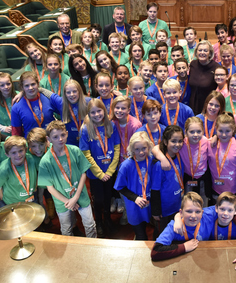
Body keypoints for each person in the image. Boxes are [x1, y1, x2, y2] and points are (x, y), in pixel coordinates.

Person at [38, 121, 96, 238]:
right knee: (66, 228)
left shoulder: (74, 150)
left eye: (63, 135)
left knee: (90, 224)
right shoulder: (45, 161)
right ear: (48, 139)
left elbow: (83, 174)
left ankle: (92, 246)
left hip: (80, 196)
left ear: (67, 134)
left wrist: (75, 197)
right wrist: (67, 201)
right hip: (61, 201)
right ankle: (69, 249)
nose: (60, 139)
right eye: (55, 137)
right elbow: (50, 188)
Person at [80, 99, 120, 237]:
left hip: (109, 171)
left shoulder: (111, 126)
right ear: (88, 113)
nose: (97, 114)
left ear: (104, 110)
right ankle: (99, 221)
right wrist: (99, 173)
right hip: (95, 174)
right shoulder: (86, 128)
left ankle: (108, 218)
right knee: (98, 199)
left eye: (99, 111)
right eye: (93, 112)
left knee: (108, 197)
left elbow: (116, 148)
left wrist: (110, 171)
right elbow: (86, 154)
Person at [114, 131, 155, 240]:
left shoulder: (152, 160)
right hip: (134, 206)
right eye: (137, 149)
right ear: (132, 149)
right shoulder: (126, 166)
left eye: (144, 148)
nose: (141, 152)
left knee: (147, 225)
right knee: (141, 235)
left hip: (149, 203)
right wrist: (135, 198)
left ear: (149, 147)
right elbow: (120, 187)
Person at [150, 192, 213, 261]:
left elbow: (222, 207)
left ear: (202, 213)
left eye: (198, 212)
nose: (194, 216)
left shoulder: (207, 216)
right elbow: (155, 251)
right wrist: (184, 247)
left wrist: (177, 216)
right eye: (189, 211)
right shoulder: (173, 227)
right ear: (181, 213)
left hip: (202, 258)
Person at [151, 125, 186, 233]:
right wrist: (156, 211)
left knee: (174, 232)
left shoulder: (180, 156)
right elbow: (155, 189)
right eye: (173, 141)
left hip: (177, 205)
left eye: (180, 141)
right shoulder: (159, 165)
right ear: (166, 142)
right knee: (162, 234)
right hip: (164, 209)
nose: (177, 144)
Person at [0, 135, 39, 204]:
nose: (18, 155)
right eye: (14, 153)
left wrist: (36, 186)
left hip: (31, 197)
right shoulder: (2, 170)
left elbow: (42, 171)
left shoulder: (32, 160)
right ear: (7, 154)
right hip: (13, 202)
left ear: (25, 150)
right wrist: (3, 199)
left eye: (20, 151)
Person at [11, 71, 57, 137]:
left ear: (38, 84)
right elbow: (16, 134)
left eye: (33, 84)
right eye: (26, 85)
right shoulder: (16, 107)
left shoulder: (48, 98)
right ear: (22, 87)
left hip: (51, 141)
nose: (30, 88)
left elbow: (63, 112)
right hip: (32, 144)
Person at [188, 40, 218, 114]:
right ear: (196, 52)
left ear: (210, 53)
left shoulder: (216, 67)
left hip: (209, 107)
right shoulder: (193, 64)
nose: (202, 53)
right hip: (192, 104)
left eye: (205, 50)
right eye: (200, 50)